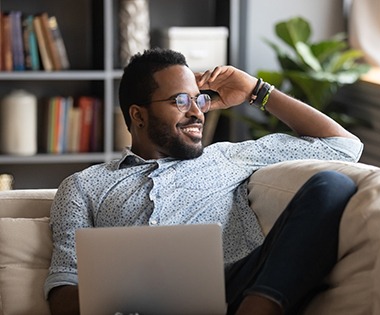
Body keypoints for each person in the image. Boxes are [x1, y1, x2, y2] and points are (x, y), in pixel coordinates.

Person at [44, 48, 363, 315]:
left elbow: (344, 147)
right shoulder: (84, 185)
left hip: (237, 288)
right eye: (180, 101)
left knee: (332, 187)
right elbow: (63, 290)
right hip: (141, 306)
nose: (197, 112)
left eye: (200, 100)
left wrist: (256, 91)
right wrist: (122, 291)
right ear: (138, 116)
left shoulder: (227, 156)